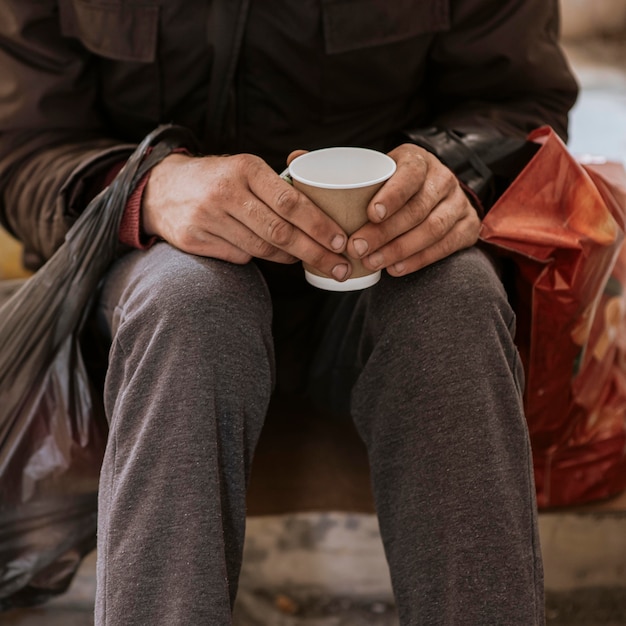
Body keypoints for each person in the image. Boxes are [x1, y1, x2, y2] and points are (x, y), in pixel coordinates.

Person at [0, 0, 578, 624]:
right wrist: (147, 189)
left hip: (377, 272)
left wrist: (460, 173)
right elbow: (23, 143)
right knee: (188, 301)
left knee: (456, 297)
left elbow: (522, 102)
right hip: (151, 287)